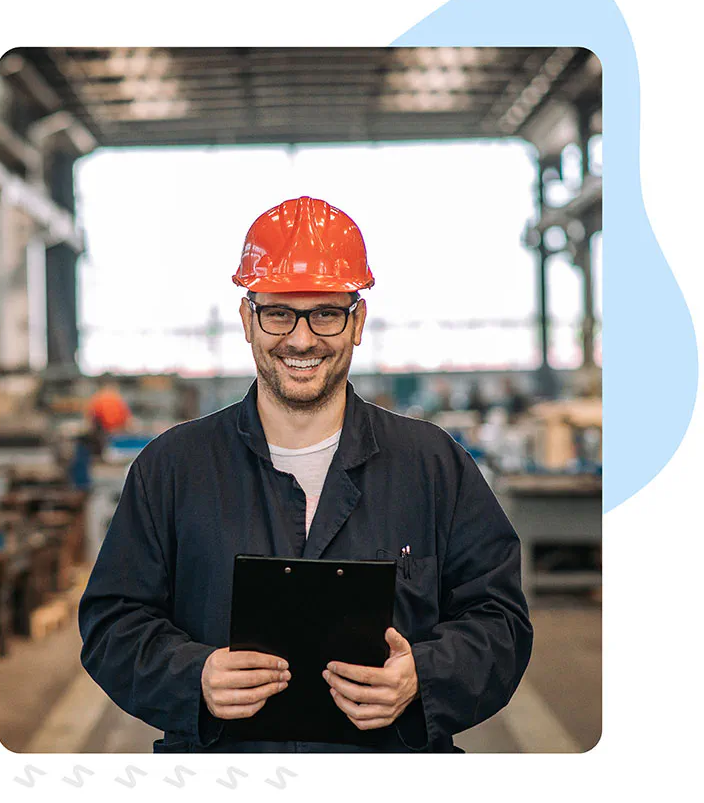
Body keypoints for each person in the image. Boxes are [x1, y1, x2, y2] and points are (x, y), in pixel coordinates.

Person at [78, 196, 533, 754]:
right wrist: (191, 675)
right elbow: (112, 623)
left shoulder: (433, 465)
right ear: (248, 320)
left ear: (357, 321)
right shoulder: (173, 469)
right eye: (278, 312)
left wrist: (425, 675)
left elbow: (501, 622)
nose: (300, 339)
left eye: (325, 312)